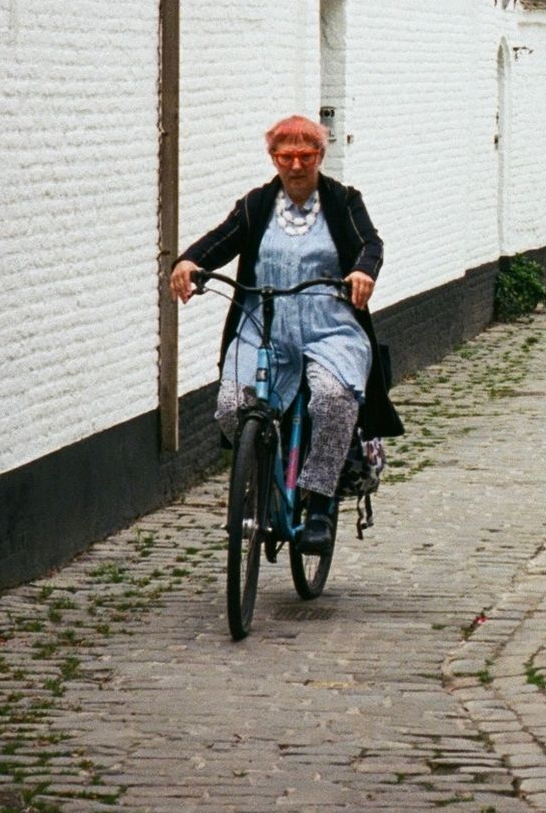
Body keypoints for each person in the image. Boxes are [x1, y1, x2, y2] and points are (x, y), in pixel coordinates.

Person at [170, 117, 399, 544]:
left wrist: (363, 272)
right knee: (231, 405)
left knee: (333, 399)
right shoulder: (257, 205)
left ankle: (318, 506)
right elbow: (220, 241)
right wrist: (187, 262)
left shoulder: (343, 201)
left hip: (330, 325)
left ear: (320, 156)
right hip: (264, 325)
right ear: (273, 157)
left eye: (305, 156)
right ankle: (264, 484)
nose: (295, 165)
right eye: (285, 156)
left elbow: (370, 244)